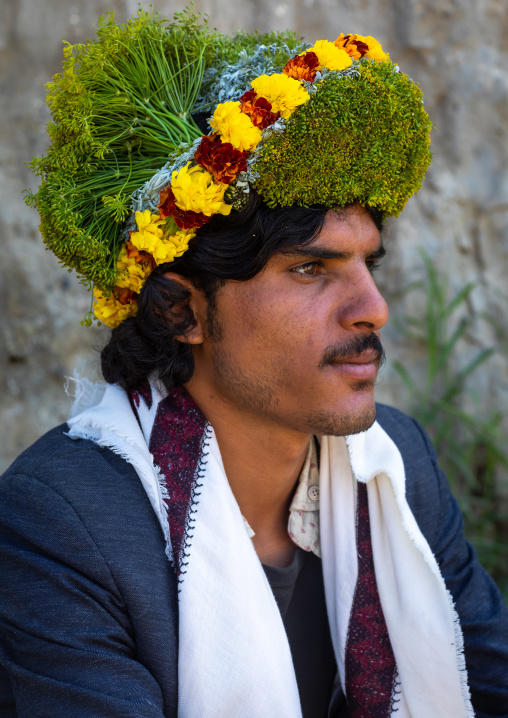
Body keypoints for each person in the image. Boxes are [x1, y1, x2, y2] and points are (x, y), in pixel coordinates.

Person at [1, 10, 507, 718]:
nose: (373, 309)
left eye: (369, 263)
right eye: (310, 270)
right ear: (183, 312)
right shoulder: (62, 522)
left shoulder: (397, 466)